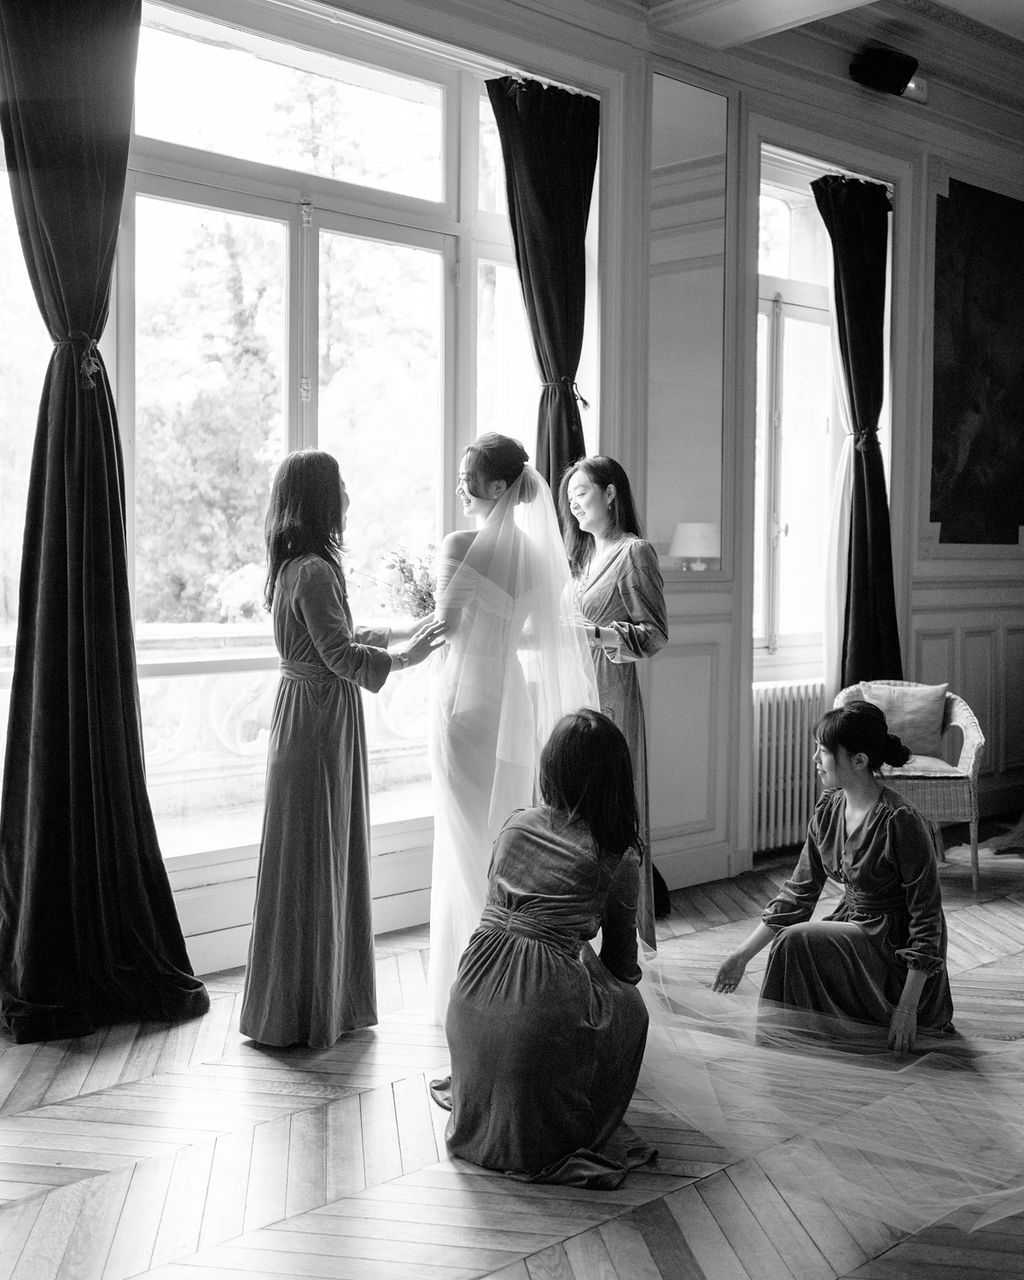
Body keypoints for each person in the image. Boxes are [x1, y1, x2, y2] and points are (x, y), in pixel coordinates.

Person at [240, 450, 446, 1048]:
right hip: (320, 722)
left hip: (298, 716)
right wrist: (408, 658)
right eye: (342, 489)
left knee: (299, 860)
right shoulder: (317, 572)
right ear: (321, 500)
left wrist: (399, 630)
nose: (349, 500)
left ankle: (290, 1008)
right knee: (321, 856)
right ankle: (317, 1010)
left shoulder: (291, 569)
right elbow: (339, 657)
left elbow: (324, 639)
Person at [432, 710, 654, 1188]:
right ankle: (569, 1098)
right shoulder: (617, 856)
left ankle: (493, 1081)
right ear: (617, 780)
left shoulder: (516, 825)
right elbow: (621, 964)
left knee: (566, 963)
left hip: (470, 989)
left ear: (550, 769)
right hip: (539, 1001)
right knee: (631, 1010)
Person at [427, 434, 597, 1023]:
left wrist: (396, 632)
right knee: (500, 837)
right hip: (510, 705)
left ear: (496, 487)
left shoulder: (460, 544)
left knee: (462, 838)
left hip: (463, 706)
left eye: (466, 475)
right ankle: (507, 977)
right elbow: (534, 635)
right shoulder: (535, 554)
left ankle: (470, 981)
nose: (459, 485)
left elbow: (443, 630)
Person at [713, 700, 954, 1053]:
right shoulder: (828, 809)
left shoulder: (900, 821)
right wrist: (740, 956)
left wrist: (907, 1008)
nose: (814, 759)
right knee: (795, 941)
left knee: (794, 941)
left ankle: (783, 1045)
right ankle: (783, 1048)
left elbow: (927, 918)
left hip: (893, 950)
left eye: (823, 751)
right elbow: (797, 894)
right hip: (855, 928)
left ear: (858, 760)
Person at [559, 455, 670, 945]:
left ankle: (621, 937)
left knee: (612, 810)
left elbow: (656, 634)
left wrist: (600, 633)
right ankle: (580, 928)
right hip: (574, 694)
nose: (574, 506)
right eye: (569, 499)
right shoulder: (581, 558)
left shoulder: (634, 553)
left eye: (581, 494)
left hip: (612, 693)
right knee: (575, 811)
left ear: (609, 493)